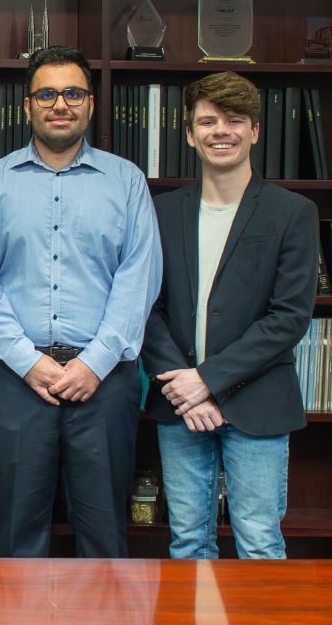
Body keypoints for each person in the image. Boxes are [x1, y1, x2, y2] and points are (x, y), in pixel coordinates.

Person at [0, 45, 162, 558]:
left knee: (104, 537)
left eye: (73, 93)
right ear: (27, 106)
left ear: (91, 105)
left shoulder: (127, 181)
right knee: (17, 535)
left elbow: (139, 278)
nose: (60, 104)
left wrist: (94, 363)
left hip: (105, 381)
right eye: (46, 93)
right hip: (17, 380)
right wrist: (30, 364)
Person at [142, 72, 318, 559]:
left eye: (235, 120)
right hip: (179, 405)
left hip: (258, 403)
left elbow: (289, 318)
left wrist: (209, 381)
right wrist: (187, 389)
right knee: (187, 543)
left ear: (255, 131)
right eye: (208, 120)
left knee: (259, 540)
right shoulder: (160, 211)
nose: (221, 131)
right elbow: (145, 308)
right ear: (190, 132)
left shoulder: (292, 212)